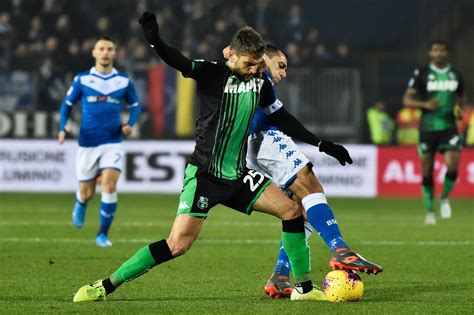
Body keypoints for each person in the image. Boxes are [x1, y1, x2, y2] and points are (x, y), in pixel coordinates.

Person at [73, 12, 352, 303]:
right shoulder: (213, 73)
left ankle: (303, 290)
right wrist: (155, 41)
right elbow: (179, 60)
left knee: (291, 211)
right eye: (249, 63)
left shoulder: (261, 83)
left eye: (258, 64)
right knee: (178, 244)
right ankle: (105, 285)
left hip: (239, 174)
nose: (255, 69)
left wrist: (321, 144)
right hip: (205, 175)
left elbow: (282, 117)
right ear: (232, 54)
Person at [236, 45, 383, 298]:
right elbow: (284, 119)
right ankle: (340, 248)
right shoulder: (261, 80)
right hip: (263, 138)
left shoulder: (246, 82)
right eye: (280, 65)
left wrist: (321, 144)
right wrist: (321, 144)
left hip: (243, 150)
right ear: (264, 60)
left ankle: (280, 275)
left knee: (299, 212)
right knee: (310, 186)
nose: (284, 72)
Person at [58, 36, 141, 246]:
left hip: (113, 141)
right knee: (87, 193)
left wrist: (130, 123)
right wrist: (62, 127)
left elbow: (135, 106)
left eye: (109, 49)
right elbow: (67, 105)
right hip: (87, 143)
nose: (105, 52)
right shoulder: (82, 79)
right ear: (94, 53)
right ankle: (81, 201)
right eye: (101, 49)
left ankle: (102, 234)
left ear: (114, 53)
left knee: (109, 185)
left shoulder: (123, 81)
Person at [403, 40, 464, 225]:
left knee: (453, 163)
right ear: (430, 53)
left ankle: (444, 197)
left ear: (446, 53)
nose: (439, 53)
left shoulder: (455, 74)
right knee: (427, 168)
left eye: (442, 50)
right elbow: (407, 99)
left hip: (448, 126)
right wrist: (425, 104)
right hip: (428, 127)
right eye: (435, 50)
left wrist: (459, 108)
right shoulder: (422, 74)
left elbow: (461, 96)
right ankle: (430, 210)